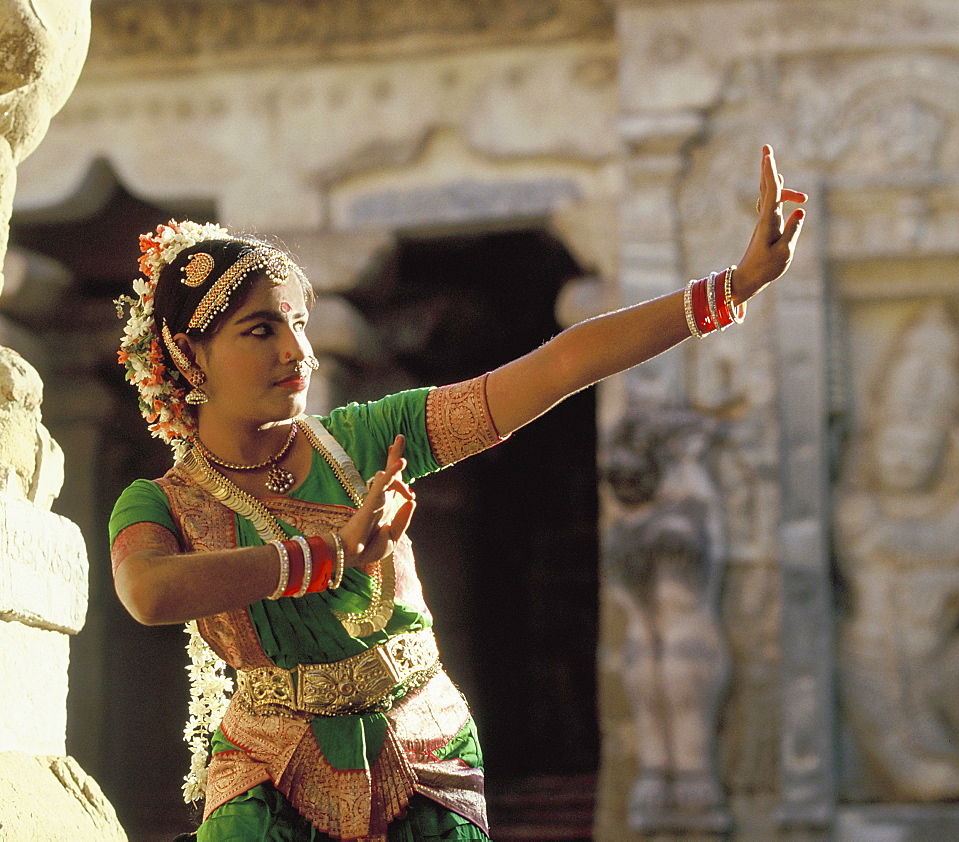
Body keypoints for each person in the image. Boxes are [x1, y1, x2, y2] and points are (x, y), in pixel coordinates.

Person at [109, 145, 806, 841]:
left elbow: (560, 364)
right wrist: (328, 556)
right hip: (268, 765)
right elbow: (148, 592)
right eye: (261, 330)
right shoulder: (161, 504)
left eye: (298, 324)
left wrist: (729, 291)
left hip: (419, 745)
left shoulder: (369, 438)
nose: (297, 352)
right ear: (188, 353)